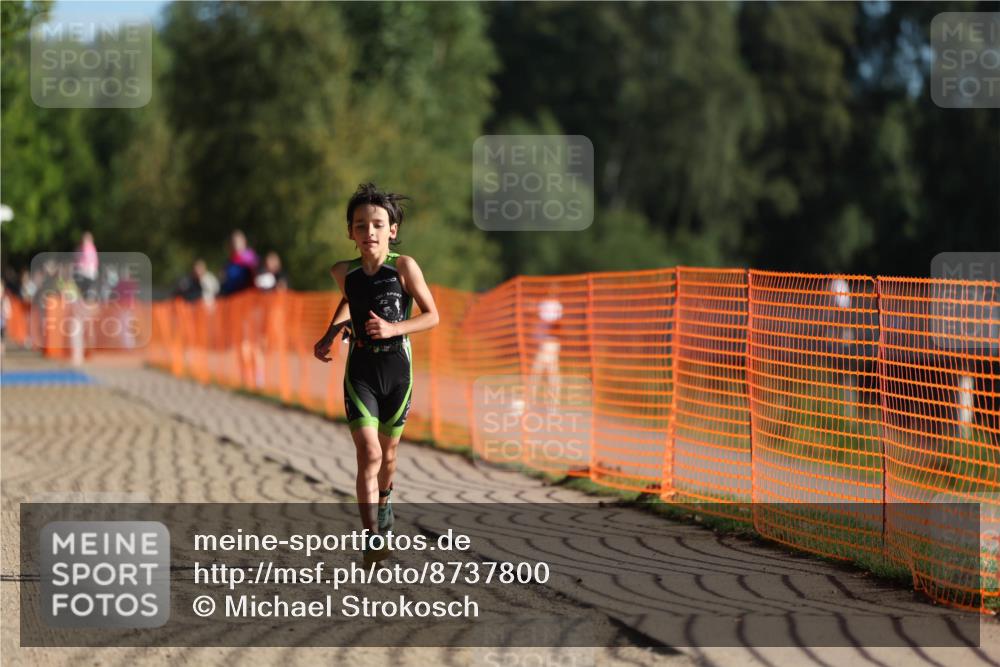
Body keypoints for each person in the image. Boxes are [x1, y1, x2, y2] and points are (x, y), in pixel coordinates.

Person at [313, 183, 439, 565]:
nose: (370, 232)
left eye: (378, 225)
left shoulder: (404, 267)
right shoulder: (343, 272)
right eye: (361, 225)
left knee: (388, 457)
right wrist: (331, 333)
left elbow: (432, 315)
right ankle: (372, 539)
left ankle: (385, 504)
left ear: (392, 231)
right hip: (362, 372)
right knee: (367, 453)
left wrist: (393, 329)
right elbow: (350, 300)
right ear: (350, 232)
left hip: (398, 372)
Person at [219, 230, 259, 296]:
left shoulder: (253, 260)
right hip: (233, 299)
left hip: (250, 298)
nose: (235, 245)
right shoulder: (228, 265)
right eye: (233, 242)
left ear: (244, 242)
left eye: (237, 242)